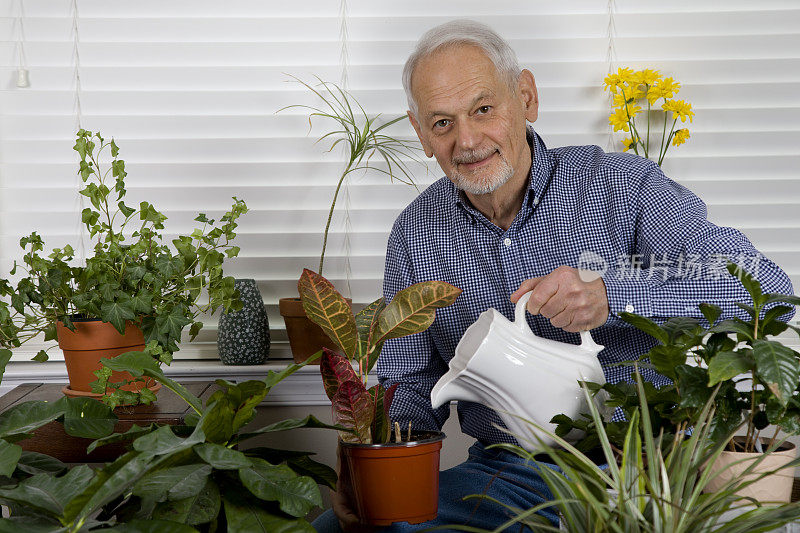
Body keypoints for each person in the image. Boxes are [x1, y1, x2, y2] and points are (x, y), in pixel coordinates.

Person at [313, 19, 794, 532]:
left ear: (526, 97)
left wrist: (614, 294)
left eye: (483, 109)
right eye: (442, 123)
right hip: (507, 476)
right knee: (335, 529)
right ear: (421, 135)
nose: (468, 140)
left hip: (644, 471)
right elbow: (412, 381)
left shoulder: (620, 186)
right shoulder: (415, 233)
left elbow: (765, 287)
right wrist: (371, 463)